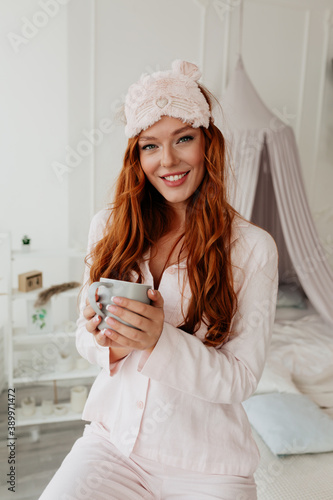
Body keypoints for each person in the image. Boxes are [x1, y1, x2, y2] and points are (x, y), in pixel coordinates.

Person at [39, 60, 278, 500]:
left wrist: (157, 340)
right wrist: (106, 338)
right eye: (150, 146)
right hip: (113, 447)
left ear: (208, 144)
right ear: (137, 155)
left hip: (208, 465)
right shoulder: (108, 229)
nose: (167, 161)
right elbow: (86, 340)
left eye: (183, 139)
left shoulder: (253, 248)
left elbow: (240, 379)